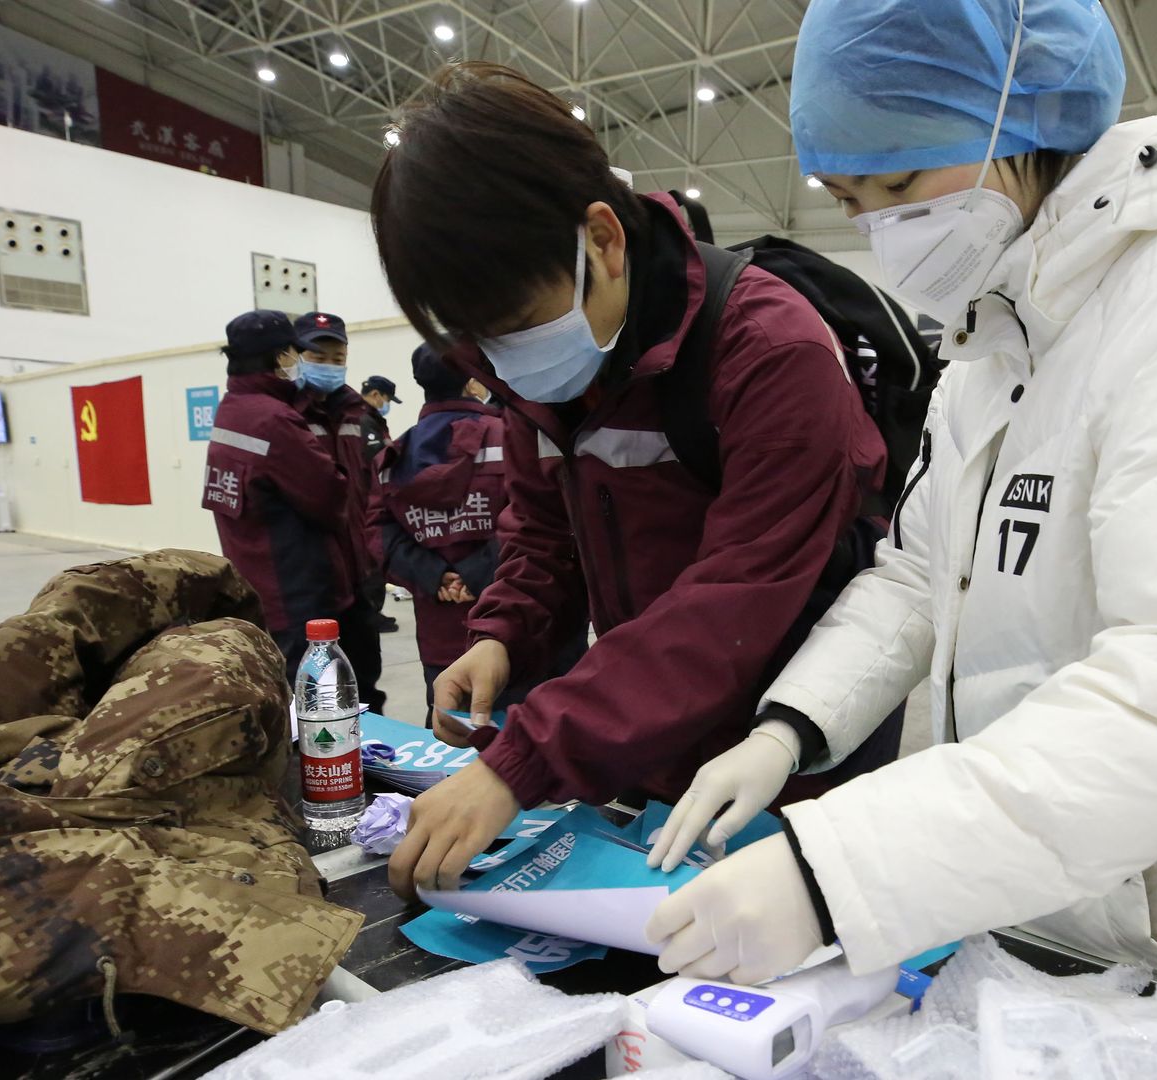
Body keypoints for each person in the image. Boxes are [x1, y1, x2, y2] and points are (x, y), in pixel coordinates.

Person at [638, 0, 1157, 1055]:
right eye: (851, 201)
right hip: (1060, 924)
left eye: (903, 185)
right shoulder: (995, 348)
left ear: (1019, 122)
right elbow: (920, 578)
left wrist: (843, 868)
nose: (882, 230)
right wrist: (789, 729)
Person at [370, 62, 895, 899]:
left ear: (604, 240)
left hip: (790, 767)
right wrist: (502, 634)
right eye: (479, 343)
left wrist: (524, 761)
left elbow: (732, 602)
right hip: (647, 755)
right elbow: (542, 536)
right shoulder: (542, 376)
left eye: (513, 329)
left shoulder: (771, 355)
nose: (504, 364)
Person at [200, 310, 353, 677]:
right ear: (279, 356)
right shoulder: (274, 419)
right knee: (311, 701)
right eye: (293, 353)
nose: (297, 362)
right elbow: (330, 495)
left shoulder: (232, 409)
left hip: (256, 585)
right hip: (295, 591)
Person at [370, 345, 518, 709]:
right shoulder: (510, 440)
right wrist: (474, 573)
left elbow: (376, 532)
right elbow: (533, 519)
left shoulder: (395, 456)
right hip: (507, 622)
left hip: (438, 630)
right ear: (472, 382)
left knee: (447, 731)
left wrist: (435, 575)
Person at [293, 310, 388, 711]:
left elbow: (377, 487)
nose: (330, 367)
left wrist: (375, 556)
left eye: (338, 358)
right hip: (308, 578)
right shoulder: (285, 415)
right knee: (315, 695)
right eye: (318, 357)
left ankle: (375, 768)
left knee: (364, 681)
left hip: (359, 573)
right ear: (295, 356)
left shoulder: (358, 415)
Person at [359, 373, 406, 634]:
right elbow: (375, 462)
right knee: (371, 560)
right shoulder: (365, 422)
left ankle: (374, 611)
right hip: (367, 501)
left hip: (376, 500)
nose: (386, 404)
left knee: (376, 560)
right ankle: (370, 613)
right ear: (376, 395)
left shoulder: (374, 421)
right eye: (387, 399)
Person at [359, 375, 403, 462]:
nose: (388, 404)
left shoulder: (374, 419)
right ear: (375, 394)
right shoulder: (364, 419)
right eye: (388, 400)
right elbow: (376, 455)